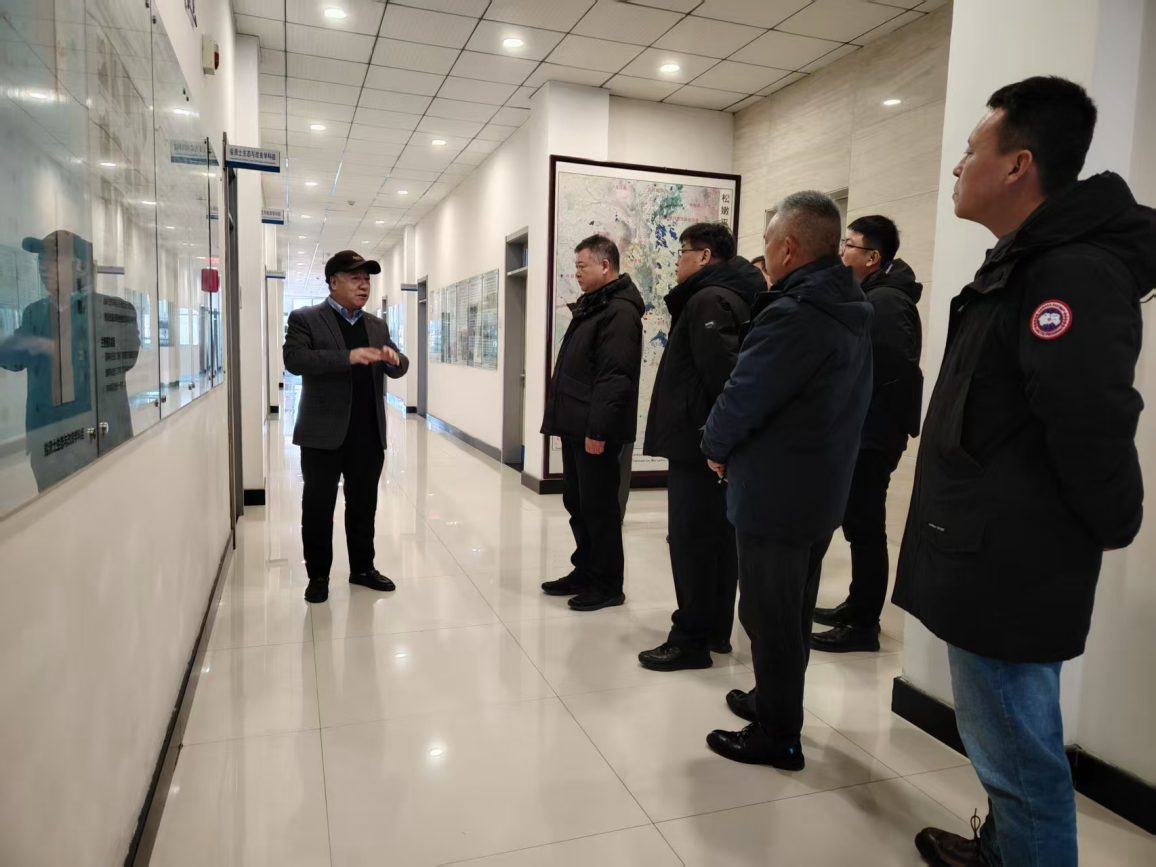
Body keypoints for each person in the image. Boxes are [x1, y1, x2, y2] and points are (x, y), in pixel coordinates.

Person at [898, 77, 1151, 867]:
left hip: (1014, 555)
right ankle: (1006, 850)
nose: (956, 166)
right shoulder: (1027, 262)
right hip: (988, 543)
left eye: (971, 149)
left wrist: (1115, 517)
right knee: (1003, 741)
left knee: (1020, 752)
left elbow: (1090, 416)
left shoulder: (1070, 273)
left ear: (1018, 165)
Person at [700, 192, 873, 769]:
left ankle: (777, 735)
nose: (766, 251)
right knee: (792, 610)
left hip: (776, 492)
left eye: (769, 241)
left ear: (790, 247)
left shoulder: (794, 313)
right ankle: (772, 700)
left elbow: (743, 395)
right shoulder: (850, 305)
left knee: (768, 616)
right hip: (818, 487)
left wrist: (713, 446)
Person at [637, 222, 764, 671]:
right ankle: (714, 631)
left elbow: (724, 378)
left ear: (705, 256)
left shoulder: (708, 299)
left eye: (683, 251)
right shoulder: (733, 295)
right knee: (718, 541)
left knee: (691, 541)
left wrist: (716, 443)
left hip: (699, 445)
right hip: (711, 444)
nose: (677, 261)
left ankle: (690, 638)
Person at [811, 215, 923, 652]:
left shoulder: (886, 302)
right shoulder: (874, 295)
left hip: (873, 434)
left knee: (866, 525)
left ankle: (863, 624)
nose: (842, 252)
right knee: (859, 523)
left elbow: (889, 373)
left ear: (872, 257)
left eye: (849, 245)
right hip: (867, 430)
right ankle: (857, 605)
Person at [283, 250, 409, 604]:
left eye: (367, 279)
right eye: (355, 278)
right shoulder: (306, 318)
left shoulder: (376, 325)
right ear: (333, 282)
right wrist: (348, 357)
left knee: (364, 506)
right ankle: (318, 576)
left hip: (367, 433)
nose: (364, 285)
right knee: (319, 508)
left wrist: (394, 360)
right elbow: (295, 360)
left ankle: (363, 569)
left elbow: (398, 364)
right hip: (323, 434)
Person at [540, 235, 643, 611]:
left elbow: (615, 378)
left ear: (605, 265)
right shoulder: (595, 305)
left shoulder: (619, 311)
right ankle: (585, 570)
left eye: (582, 266)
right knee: (578, 503)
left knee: (600, 508)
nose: (577, 273)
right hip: (577, 426)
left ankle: (609, 583)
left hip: (594, 431)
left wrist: (598, 430)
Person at [0, 230, 140, 492]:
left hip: (100, 438)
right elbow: (11, 358)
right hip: (48, 442)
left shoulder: (112, 310)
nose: (44, 266)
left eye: (53, 260)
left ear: (81, 267)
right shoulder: (34, 313)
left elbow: (124, 359)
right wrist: (35, 344)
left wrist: (52, 347)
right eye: (41, 259)